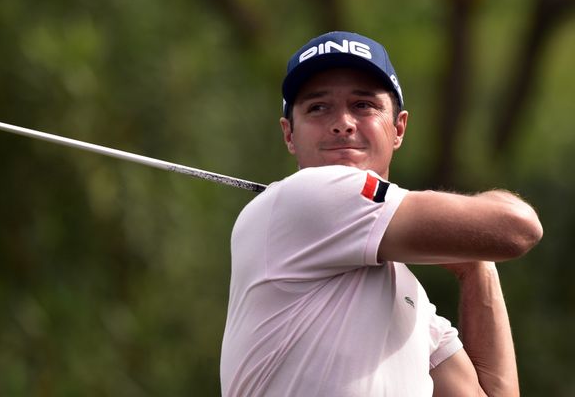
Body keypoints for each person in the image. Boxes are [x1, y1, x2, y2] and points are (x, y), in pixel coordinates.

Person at [220, 31, 543, 396]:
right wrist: (470, 236)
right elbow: (518, 226)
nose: (343, 122)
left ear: (398, 128)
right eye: (317, 107)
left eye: (363, 105)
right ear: (289, 135)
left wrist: (475, 264)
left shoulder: (409, 298)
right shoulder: (305, 196)